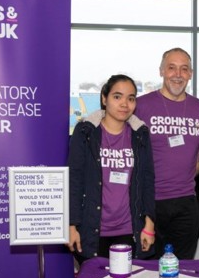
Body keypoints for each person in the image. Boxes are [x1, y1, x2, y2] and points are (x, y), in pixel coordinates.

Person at [67, 74, 156, 263]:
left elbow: (148, 181)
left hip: (129, 230)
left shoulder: (140, 135)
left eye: (131, 98)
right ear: (104, 98)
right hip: (92, 231)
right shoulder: (85, 132)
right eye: (117, 96)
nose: (125, 104)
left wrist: (149, 224)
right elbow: (74, 180)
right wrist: (71, 225)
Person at [135, 48, 199, 260]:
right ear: (161, 71)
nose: (178, 74)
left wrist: (182, 175)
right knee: (146, 266)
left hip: (186, 202)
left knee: (182, 266)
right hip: (148, 202)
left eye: (184, 69)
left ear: (190, 74)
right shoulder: (141, 106)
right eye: (171, 68)